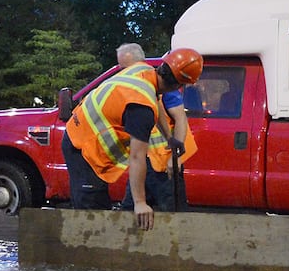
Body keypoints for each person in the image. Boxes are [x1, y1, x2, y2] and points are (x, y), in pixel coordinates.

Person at [61, 47, 203, 230]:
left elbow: (157, 99)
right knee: (92, 210)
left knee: (99, 202)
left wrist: (169, 137)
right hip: (81, 145)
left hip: (79, 129)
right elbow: (137, 157)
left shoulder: (143, 71)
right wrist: (140, 203)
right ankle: (88, 250)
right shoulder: (141, 107)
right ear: (179, 86)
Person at [115, 44, 195, 212]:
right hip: (145, 163)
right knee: (131, 211)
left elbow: (180, 118)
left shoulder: (162, 85)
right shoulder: (134, 88)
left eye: (126, 68)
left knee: (174, 216)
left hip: (165, 166)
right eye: (121, 68)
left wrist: (176, 158)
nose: (123, 73)